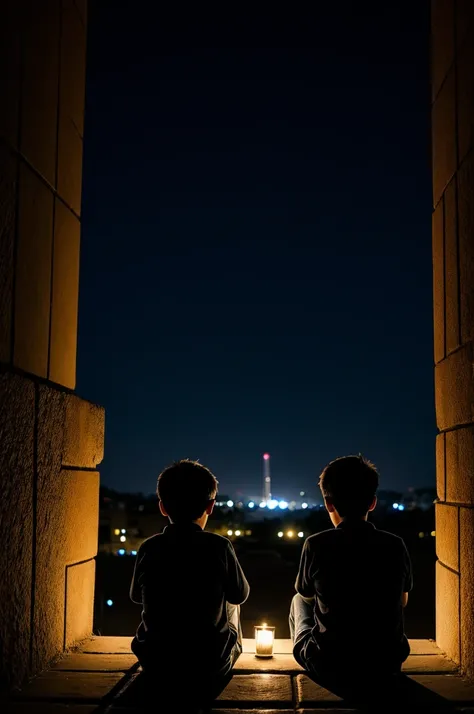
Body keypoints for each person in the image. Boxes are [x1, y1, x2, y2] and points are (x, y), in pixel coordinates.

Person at [130, 459, 249, 702]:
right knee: (230, 602)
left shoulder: (149, 547)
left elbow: (134, 596)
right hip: (209, 665)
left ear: (163, 507)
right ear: (210, 507)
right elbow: (240, 595)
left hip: (156, 662)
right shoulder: (219, 546)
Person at [289, 455, 412, 683]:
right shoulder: (394, 544)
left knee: (298, 600)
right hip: (387, 661)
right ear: (372, 502)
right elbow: (402, 600)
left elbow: (306, 594)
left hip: (329, 662)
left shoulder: (316, 544)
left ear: (328, 503)